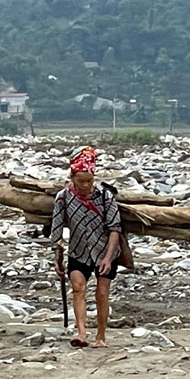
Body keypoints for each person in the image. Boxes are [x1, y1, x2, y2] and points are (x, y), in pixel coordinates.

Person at [51, 146, 121, 348]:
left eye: (89, 181)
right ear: (72, 177)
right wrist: (57, 258)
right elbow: (57, 230)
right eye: (81, 181)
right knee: (78, 287)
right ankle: (81, 332)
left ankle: (101, 336)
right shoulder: (63, 198)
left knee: (101, 293)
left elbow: (115, 229)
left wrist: (108, 258)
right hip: (78, 251)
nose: (85, 185)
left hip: (104, 250)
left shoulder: (105, 197)